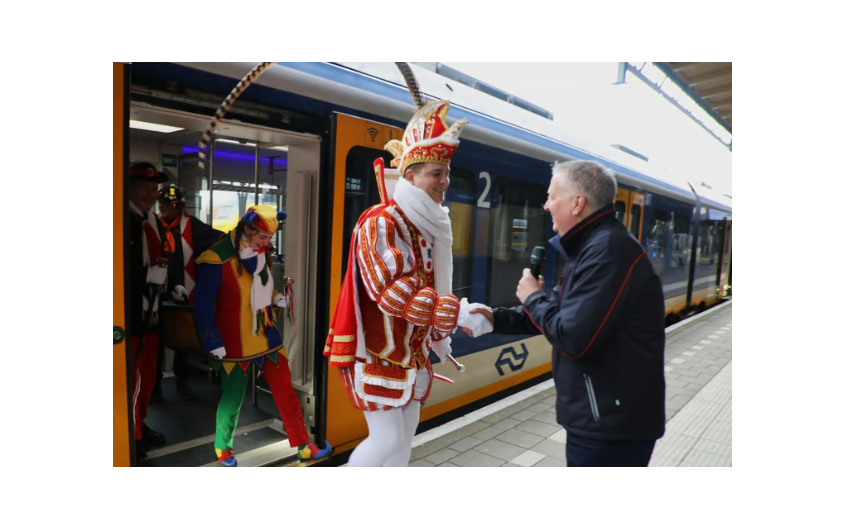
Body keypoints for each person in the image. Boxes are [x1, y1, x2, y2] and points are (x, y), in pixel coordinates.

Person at [323, 99, 492, 467]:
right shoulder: (381, 221)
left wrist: (439, 329)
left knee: (403, 442)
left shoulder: (424, 225)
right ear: (411, 176)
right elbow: (393, 292)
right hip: (377, 353)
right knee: (386, 441)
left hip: (409, 354)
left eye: (446, 172)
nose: (445, 182)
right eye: (436, 173)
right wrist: (458, 313)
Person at [470, 159, 666, 467]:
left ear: (578, 203)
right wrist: (493, 318)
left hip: (611, 425)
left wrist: (533, 296)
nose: (545, 206)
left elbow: (574, 337)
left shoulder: (607, 253)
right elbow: (561, 314)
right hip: (604, 417)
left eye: (551, 197)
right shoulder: (594, 247)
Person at [193, 204, 332, 466]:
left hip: (267, 336)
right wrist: (213, 340)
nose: (266, 244)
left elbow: (262, 286)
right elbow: (202, 305)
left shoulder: (259, 252)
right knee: (232, 398)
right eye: (262, 237)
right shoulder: (215, 258)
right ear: (247, 229)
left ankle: (303, 445)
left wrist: (277, 297)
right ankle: (223, 450)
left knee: (285, 393)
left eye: (269, 238)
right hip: (233, 341)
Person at [151, 184, 224, 401]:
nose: (162, 206)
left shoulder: (192, 226)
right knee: (155, 340)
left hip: (182, 293)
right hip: (156, 292)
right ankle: (154, 387)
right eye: (160, 202)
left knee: (182, 340)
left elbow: (221, 241)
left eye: (167, 203)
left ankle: (182, 381)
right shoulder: (152, 224)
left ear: (179, 205)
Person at [127, 161, 170, 463]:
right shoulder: (122, 218)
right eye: (144, 187)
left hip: (151, 310)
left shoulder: (151, 219)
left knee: (148, 376)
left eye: (154, 188)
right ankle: (129, 434)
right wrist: (145, 278)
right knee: (131, 377)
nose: (150, 193)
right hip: (128, 314)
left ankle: (139, 423)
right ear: (128, 187)